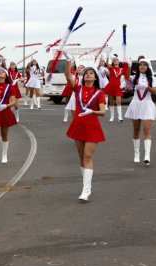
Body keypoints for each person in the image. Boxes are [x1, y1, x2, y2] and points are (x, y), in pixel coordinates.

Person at [64, 59, 106, 202]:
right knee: (81, 156)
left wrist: (92, 112)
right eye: (86, 73)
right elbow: (68, 77)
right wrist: (69, 62)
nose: (88, 75)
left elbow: (103, 112)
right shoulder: (78, 89)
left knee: (88, 157)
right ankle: (85, 184)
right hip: (78, 125)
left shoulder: (99, 93)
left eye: (91, 73)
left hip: (92, 126)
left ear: (95, 77)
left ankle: (86, 190)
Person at [125, 59, 156, 165]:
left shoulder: (152, 78)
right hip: (136, 104)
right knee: (136, 130)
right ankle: (136, 154)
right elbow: (127, 90)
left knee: (147, 130)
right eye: (140, 65)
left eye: (145, 65)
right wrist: (129, 84)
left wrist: (147, 87)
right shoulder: (134, 78)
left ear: (148, 67)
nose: (142, 66)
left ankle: (147, 155)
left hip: (147, 104)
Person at [104, 56, 129, 122]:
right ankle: (112, 116)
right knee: (111, 102)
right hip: (111, 86)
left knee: (118, 101)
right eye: (114, 60)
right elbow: (106, 64)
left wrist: (127, 61)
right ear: (113, 62)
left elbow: (126, 70)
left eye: (117, 60)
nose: (115, 61)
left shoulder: (121, 69)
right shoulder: (111, 68)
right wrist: (107, 56)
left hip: (118, 87)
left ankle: (120, 117)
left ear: (119, 61)